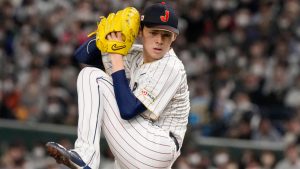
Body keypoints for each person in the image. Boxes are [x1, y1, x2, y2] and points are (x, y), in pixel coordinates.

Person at [46, 2, 190, 169]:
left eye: (166, 35)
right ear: (140, 31)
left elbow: (128, 111)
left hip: (156, 146)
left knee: (93, 76)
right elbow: (81, 57)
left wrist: (116, 56)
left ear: (174, 38)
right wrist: (108, 36)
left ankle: (86, 156)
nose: (159, 40)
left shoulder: (170, 66)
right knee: (89, 73)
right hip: (134, 146)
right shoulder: (135, 54)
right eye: (153, 33)